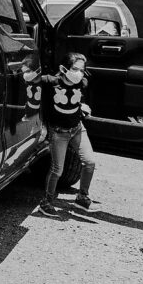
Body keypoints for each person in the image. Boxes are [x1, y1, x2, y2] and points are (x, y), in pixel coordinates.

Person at [37, 52, 98, 217]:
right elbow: (31, 81)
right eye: (75, 69)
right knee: (57, 170)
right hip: (59, 133)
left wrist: (83, 106)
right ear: (64, 69)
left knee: (90, 162)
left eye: (82, 70)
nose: (79, 73)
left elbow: (80, 98)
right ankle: (46, 203)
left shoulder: (83, 83)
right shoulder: (50, 82)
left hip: (77, 129)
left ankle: (82, 197)